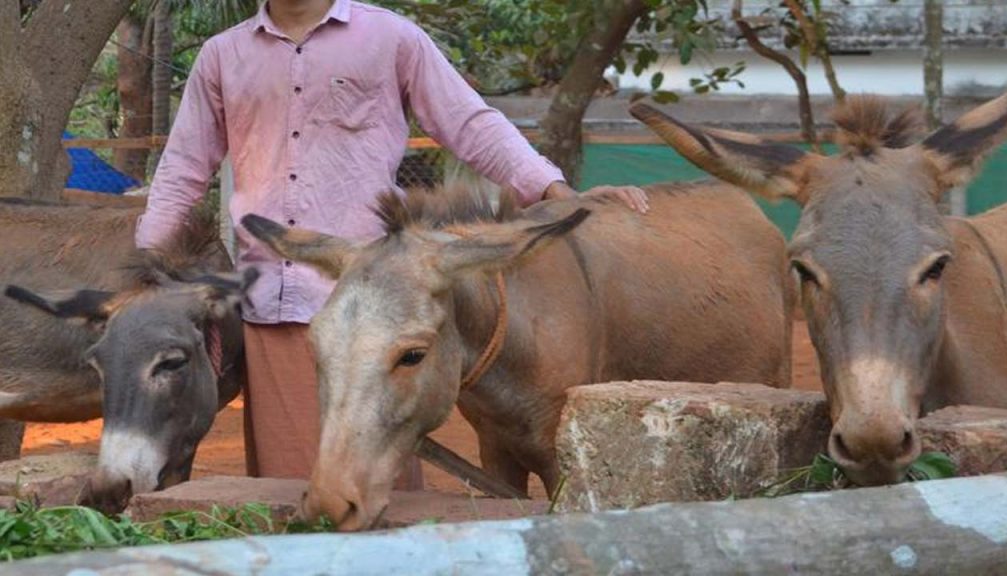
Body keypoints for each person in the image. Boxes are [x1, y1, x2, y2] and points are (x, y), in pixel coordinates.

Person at [135, 0, 649, 487]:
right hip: (278, 302)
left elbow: (469, 123)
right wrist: (147, 268)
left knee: (382, 487)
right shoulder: (222, 55)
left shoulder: (391, 38)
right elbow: (183, 168)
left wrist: (555, 192)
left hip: (379, 308)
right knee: (290, 490)